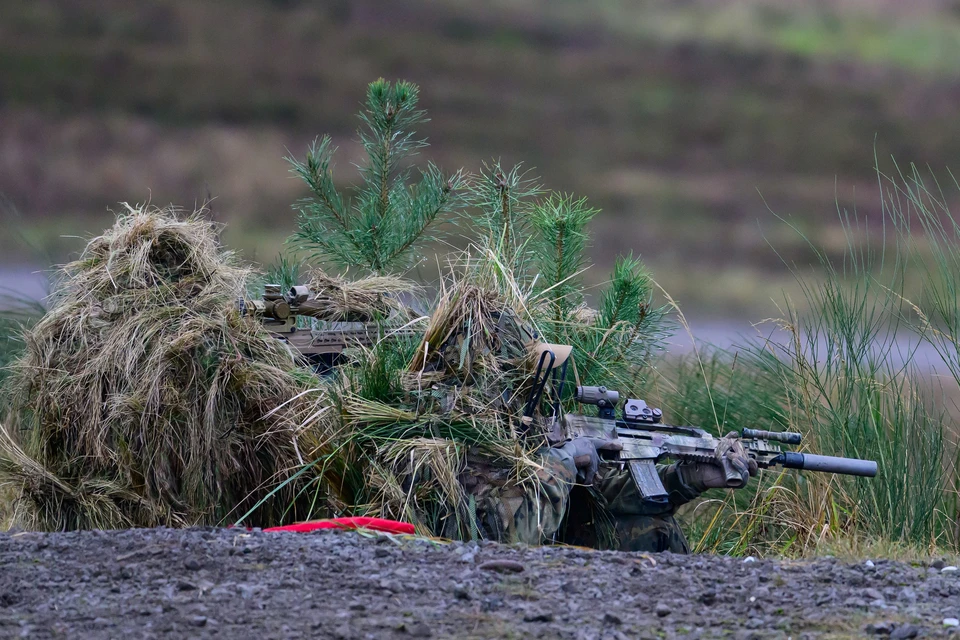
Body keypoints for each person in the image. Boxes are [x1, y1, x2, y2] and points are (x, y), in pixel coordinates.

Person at [460, 432, 758, 553]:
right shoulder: (468, 443)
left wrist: (690, 477)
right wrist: (564, 459)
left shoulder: (531, 425)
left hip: (560, 539)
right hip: (502, 567)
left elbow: (607, 490)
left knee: (658, 529)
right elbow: (515, 538)